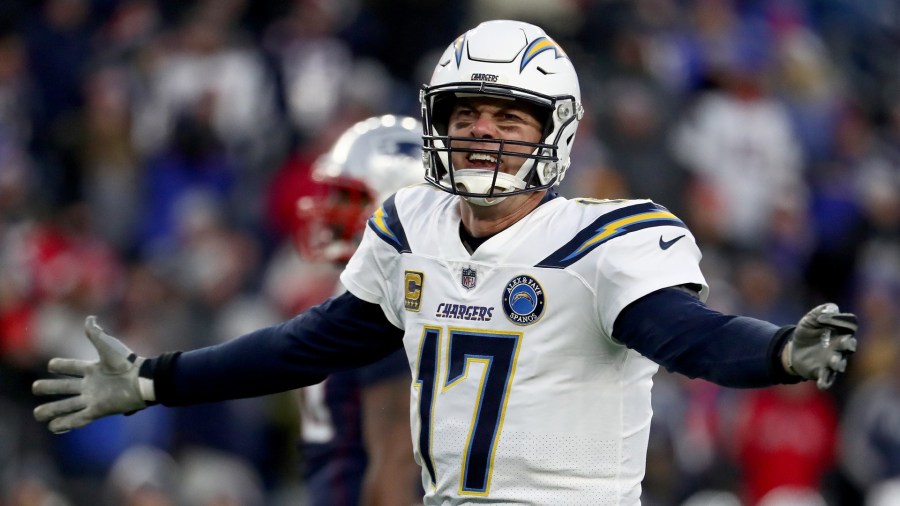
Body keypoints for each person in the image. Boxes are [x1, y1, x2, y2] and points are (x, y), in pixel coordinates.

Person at [32, 20, 858, 505]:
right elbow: (310, 345)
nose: (486, 131)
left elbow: (689, 336)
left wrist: (777, 351)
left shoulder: (608, 241)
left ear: (556, 134)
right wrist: (154, 379)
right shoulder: (413, 224)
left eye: (512, 116)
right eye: (470, 112)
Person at [290, 114, 423, 506]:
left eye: (347, 197)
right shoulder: (366, 294)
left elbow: (395, 462)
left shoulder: (390, 300)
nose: (330, 211)